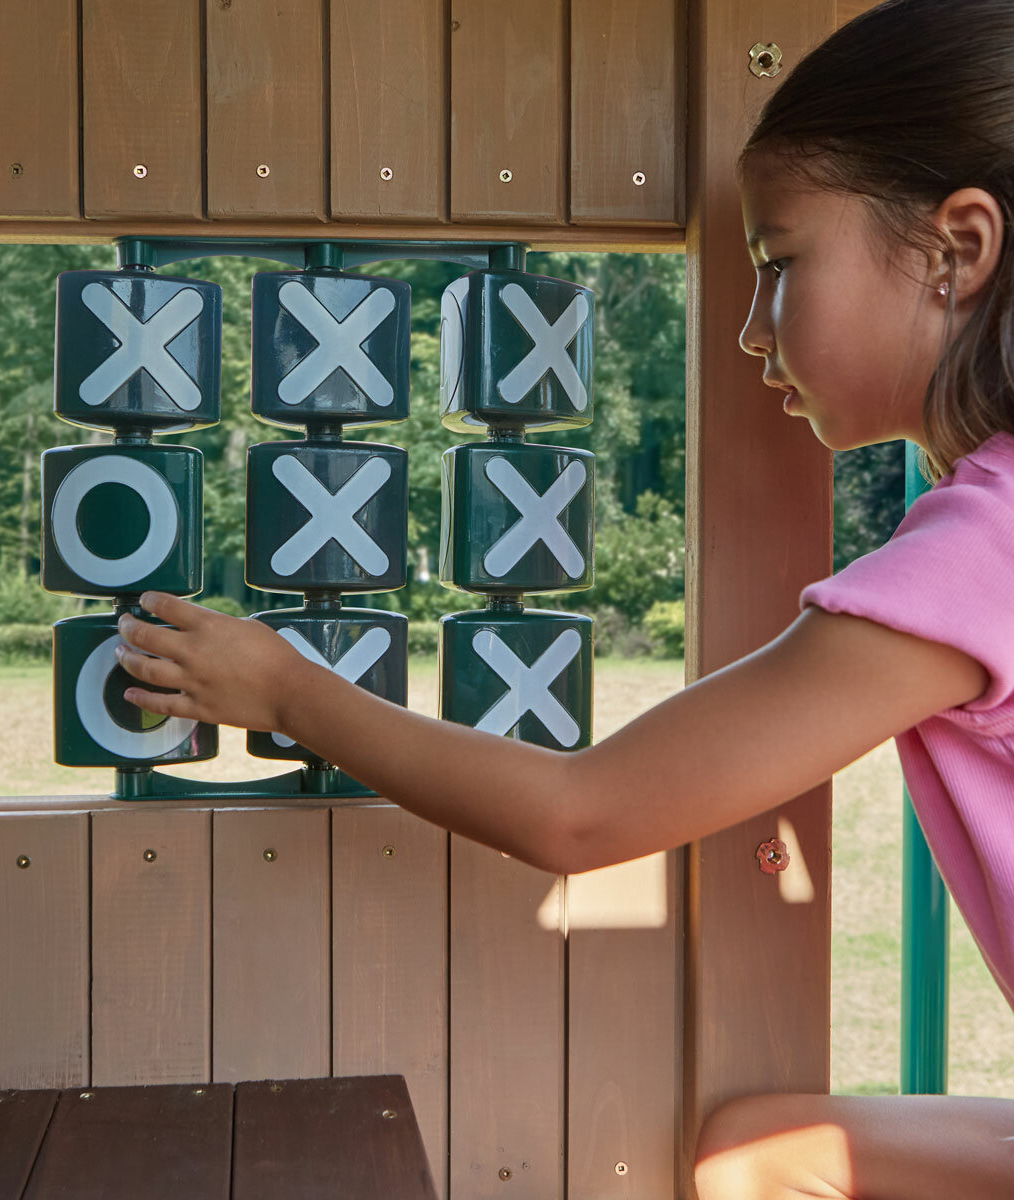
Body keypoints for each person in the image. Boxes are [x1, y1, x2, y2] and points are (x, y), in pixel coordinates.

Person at [114, 0, 1014, 1193]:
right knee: (759, 1161)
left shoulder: (980, 550)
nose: (751, 330)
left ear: (958, 246)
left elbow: (581, 814)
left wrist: (288, 690)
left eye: (778, 264)